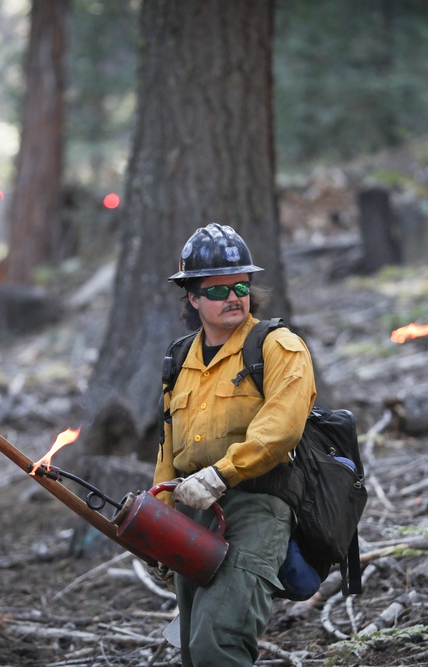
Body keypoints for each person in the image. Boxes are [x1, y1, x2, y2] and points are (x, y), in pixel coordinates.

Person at [153, 223, 317, 666]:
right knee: (192, 650)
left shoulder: (278, 347)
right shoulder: (178, 359)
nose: (233, 297)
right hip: (192, 512)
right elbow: (169, 450)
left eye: (241, 285)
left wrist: (221, 474)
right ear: (192, 297)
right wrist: (160, 528)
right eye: (218, 289)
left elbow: (280, 429)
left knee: (217, 645)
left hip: (255, 508)